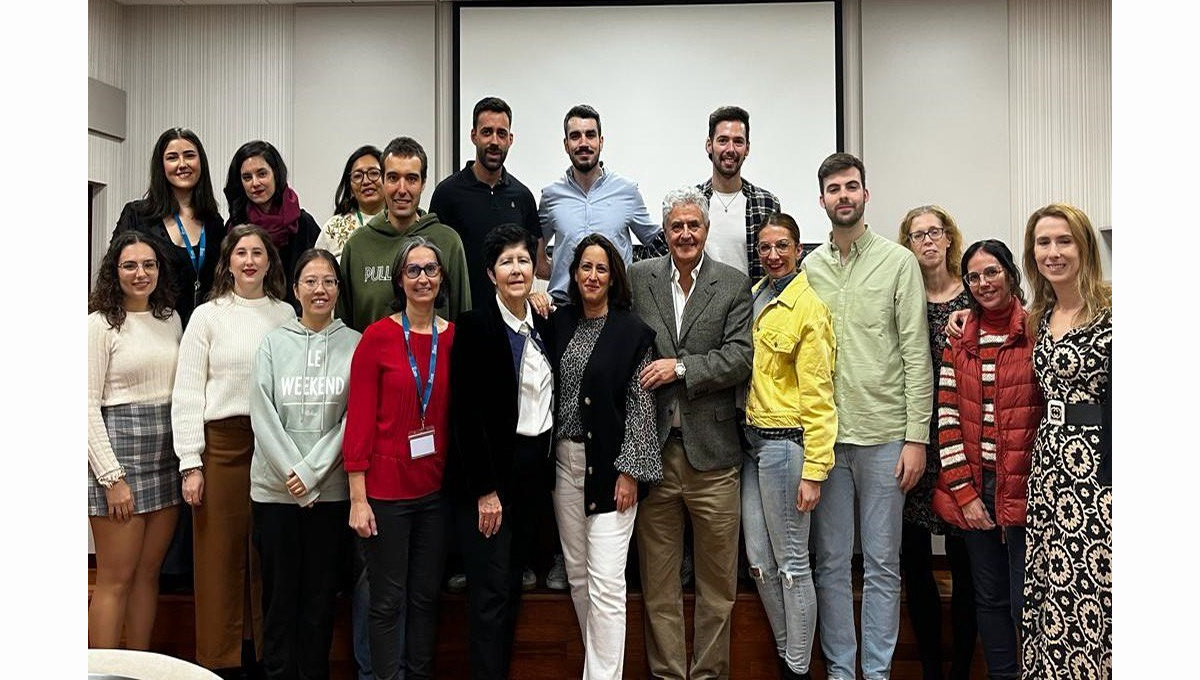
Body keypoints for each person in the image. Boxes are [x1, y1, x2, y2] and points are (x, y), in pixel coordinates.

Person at [802, 153, 932, 680]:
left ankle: (874, 673)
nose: (844, 196)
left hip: (885, 439)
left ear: (865, 194)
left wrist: (916, 438)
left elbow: (916, 354)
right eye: (834, 189)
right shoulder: (809, 269)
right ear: (823, 201)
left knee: (882, 566)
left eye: (852, 187)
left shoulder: (898, 263)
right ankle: (839, 670)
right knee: (830, 565)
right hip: (827, 443)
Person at [629, 187, 753, 680]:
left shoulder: (732, 283)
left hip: (715, 457)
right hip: (654, 456)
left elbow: (741, 357)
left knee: (717, 587)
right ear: (664, 232)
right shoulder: (640, 279)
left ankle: (707, 675)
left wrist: (680, 367)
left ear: (705, 230)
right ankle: (666, 675)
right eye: (676, 226)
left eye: (693, 226)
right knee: (657, 586)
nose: (685, 234)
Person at [172, 224, 295, 676]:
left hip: (273, 446)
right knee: (218, 558)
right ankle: (219, 663)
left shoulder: (286, 314)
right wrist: (191, 463)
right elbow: (187, 393)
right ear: (227, 261)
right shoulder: (207, 316)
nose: (249, 260)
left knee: (267, 554)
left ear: (269, 262)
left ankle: (262, 656)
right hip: (220, 447)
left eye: (257, 253)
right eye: (240, 252)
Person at [546, 234, 662, 680]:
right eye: (585, 267)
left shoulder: (632, 332)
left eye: (601, 268)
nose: (592, 276)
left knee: (607, 584)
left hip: (613, 471)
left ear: (614, 276)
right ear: (574, 274)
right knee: (578, 578)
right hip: (564, 465)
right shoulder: (558, 322)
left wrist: (630, 471)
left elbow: (640, 405)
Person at [343, 237, 456, 680]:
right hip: (385, 493)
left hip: (436, 492)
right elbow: (359, 421)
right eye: (413, 270)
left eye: (430, 269)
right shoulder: (378, 337)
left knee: (426, 598)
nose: (423, 278)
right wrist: (358, 497)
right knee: (386, 602)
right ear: (400, 280)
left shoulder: (454, 339)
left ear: (442, 278)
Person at [446, 224, 553, 678]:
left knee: (512, 586)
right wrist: (486, 491)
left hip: (534, 474)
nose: (516, 269)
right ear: (490, 273)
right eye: (507, 262)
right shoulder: (474, 327)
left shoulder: (548, 322)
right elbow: (466, 416)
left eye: (524, 260)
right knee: (488, 593)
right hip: (490, 479)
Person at [249, 248, 362, 680]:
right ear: (295, 289)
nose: (320, 289)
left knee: (319, 602)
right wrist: (292, 471)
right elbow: (262, 411)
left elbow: (353, 417)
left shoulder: (355, 343)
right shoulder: (274, 343)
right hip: (275, 494)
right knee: (278, 602)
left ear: (338, 289)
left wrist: (312, 473)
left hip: (329, 496)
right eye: (310, 281)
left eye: (329, 281)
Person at [934, 239, 1040, 680]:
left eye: (992, 272)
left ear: (1011, 272)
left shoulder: (1039, 329)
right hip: (977, 488)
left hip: (1028, 489)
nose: (983, 283)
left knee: (1027, 600)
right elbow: (947, 415)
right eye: (974, 276)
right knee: (990, 600)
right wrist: (963, 491)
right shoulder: (958, 338)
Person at [741, 213, 836, 680]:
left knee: (793, 565)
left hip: (787, 448)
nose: (773, 255)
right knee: (759, 561)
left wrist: (815, 470)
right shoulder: (757, 296)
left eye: (782, 246)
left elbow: (820, 396)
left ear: (799, 250)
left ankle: (797, 668)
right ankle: (787, 654)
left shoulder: (809, 308)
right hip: (752, 444)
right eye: (765, 247)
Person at [1019, 203, 1111, 679]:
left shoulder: (1114, 311)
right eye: (1043, 242)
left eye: (1063, 241)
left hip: (1100, 471)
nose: (1052, 252)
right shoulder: (1040, 314)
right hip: (1050, 467)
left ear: (1084, 247)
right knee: (1053, 587)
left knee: (1097, 589)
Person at [88, 232, 183, 650]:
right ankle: (101, 674)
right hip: (119, 460)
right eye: (130, 266)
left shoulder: (171, 318)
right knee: (115, 579)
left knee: (148, 575)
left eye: (149, 265)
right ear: (115, 271)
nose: (140, 273)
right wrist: (112, 478)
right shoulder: (98, 324)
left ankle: (139, 669)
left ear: (159, 270)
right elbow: (84, 405)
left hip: (164, 457)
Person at [897, 205, 978, 680]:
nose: (927, 241)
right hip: (910, 440)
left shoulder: (975, 293)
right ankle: (929, 668)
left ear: (949, 238)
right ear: (907, 245)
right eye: (916, 235)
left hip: (963, 443)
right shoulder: (901, 295)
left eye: (935, 232)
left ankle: (963, 669)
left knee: (967, 564)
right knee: (914, 562)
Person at [340, 136, 471, 331]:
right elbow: (343, 327)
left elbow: (464, 323)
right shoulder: (357, 246)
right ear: (383, 181)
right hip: (371, 360)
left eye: (411, 179)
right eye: (393, 178)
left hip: (436, 360)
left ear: (423, 183)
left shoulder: (448, 242)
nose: (402, 189)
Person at [538, 104, 662, 303]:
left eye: (590, 135)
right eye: (575, 136)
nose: (583, 143)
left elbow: (657, 243)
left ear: (601, 141)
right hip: (565, 307)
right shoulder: (551, 196)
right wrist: (563, 270)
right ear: (566, 144)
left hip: (616, 307)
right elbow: (536, 257)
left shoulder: (627, 191)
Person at [430, 97, 544, 309]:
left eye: (501, 134)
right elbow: (433, 261)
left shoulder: (523, 197)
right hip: (463, 319)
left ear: (510, 139)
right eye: (487, 132)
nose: (494, 141)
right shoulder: (446, 194)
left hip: (510, 322)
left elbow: (534, 261)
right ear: (474, 136)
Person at [113, 126, 226, 327]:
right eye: (172, 157)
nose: (182, 164)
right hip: (151, 328)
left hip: (204, 330)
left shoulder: (214, 222)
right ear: (161, 166)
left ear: (201, 162)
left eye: (189, 156)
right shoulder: (137, 215)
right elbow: (114, 273)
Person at [223, 140, 321, 310]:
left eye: (262, 174)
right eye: (247, 177)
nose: (255, 183)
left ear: (276, 174)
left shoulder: (302, 223)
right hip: (248, 314)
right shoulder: (235, 227)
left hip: (298, 321)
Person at [696, 105, 782, 278]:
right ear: (709, 145)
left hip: (751, 303)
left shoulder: (766, 203)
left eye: (738, 141)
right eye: (722, 140)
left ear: (747, 148)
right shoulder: (692, 202)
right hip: (701, 304)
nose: (730, 149)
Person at [315, 145, 385, 260]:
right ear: (350, 188)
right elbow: (318, 271)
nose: (366, 181)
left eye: (374, 173)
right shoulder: (333, 228)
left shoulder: (401, 222)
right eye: (357, 176)